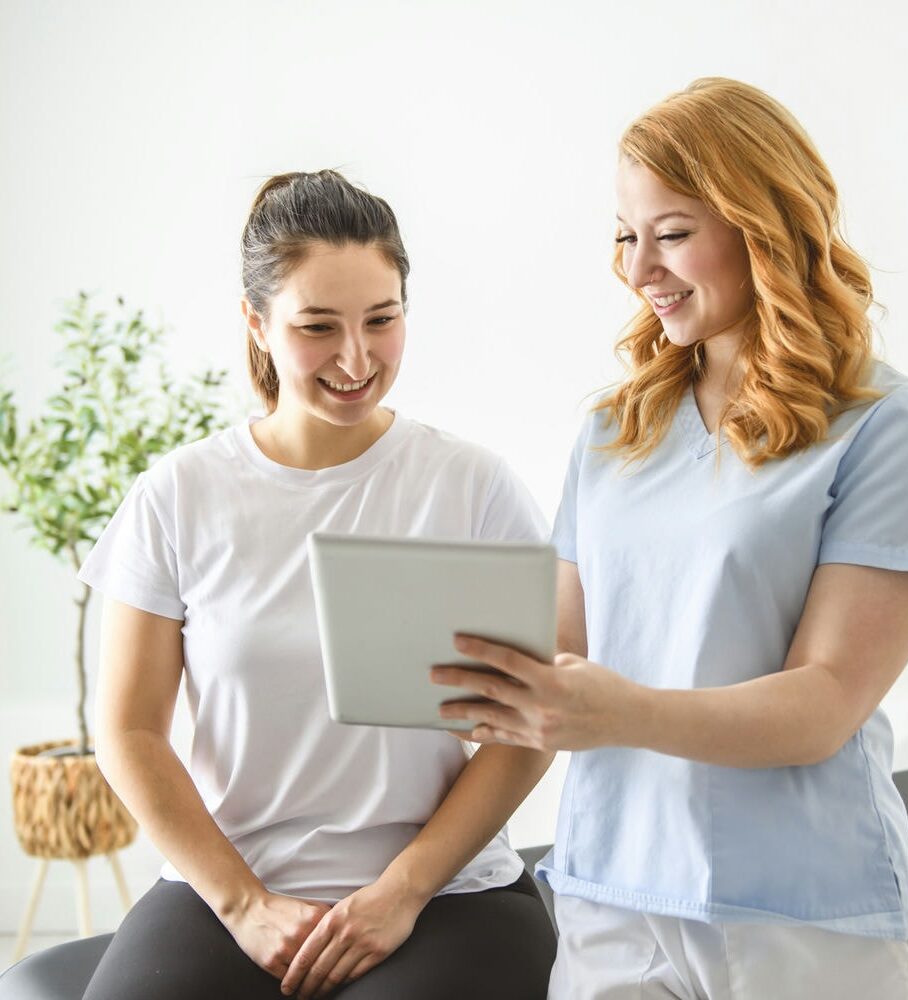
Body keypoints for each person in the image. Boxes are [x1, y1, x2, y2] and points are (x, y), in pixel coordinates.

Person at [431, 78, 908, 1000]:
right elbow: (564, 650)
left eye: (671, 233)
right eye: (625, 237)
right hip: (614, 900)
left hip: (803, 914)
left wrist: (617, 713)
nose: (639, 271)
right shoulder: (614, 428)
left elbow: (826, 700)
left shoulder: (886, 425)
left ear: (767, 224)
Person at [76, 170, 557, 1000]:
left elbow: (531, 723)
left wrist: (402, 890)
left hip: (445, 892)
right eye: (317, 327)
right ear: (256, 324)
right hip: (227, 887)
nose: (356, 358)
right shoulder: (179, 495)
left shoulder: (471, 486)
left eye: (382, 319)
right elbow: (128, 729)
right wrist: (244, 903)